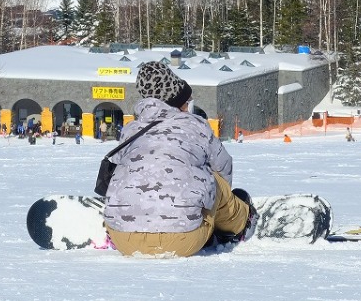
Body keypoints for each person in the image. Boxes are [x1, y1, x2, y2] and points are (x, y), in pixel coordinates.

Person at [102, 60, 255, 257]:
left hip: (124, 240)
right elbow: (223, 167)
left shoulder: (131, 130)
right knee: (215, 181)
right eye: (187, 101)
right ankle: (240, 222)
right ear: (177, 101)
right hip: (183, 240)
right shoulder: (196, 125)